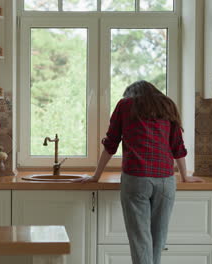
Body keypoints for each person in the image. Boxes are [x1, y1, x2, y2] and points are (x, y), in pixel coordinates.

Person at [78, 80, 204, 264]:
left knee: (140, 240)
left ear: (130, 94)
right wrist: (185, 176)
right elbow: (177, 145)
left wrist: (96, 175)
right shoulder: (167, 105)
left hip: (136, 178)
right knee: (158, 239)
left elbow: (111, 144)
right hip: (165, 180)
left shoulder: (125, 105)